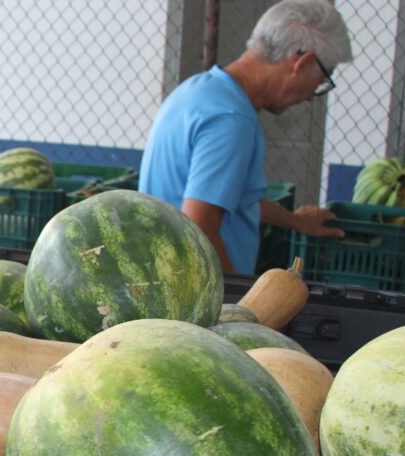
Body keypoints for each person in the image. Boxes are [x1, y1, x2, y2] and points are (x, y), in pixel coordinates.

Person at [138, 0, 351, 274]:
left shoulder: (198, 90)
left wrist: (294, 221)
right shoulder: (231, 119)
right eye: (323, 80)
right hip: (191, 291)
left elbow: (227, 197)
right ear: (303, 63)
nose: (312, 95)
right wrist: (238, 306)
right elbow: (200, 225)